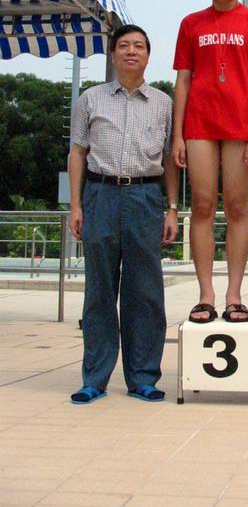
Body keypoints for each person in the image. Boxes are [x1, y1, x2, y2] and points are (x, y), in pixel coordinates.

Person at [69, 25, 179, 404]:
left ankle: (143, 377)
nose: (131, 52)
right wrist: (76, 205)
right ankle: (94, 378)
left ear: (148, 55)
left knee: (145, 291)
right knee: (99, 290)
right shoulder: (90, 99)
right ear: (113, 54)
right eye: (124, 46)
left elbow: (170, 159)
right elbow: (77, 153)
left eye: (139, 46)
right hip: (100, 194)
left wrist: (172, 208)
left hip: (145, 197)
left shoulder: (164, 103)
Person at [172, 0, 248, 323]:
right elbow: (183, 81)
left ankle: (234, 295)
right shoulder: (191, 24)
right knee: (202, 206)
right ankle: (205, 295)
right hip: (199, 125)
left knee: (236, 206)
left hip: (239, 126)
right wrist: (178, 135)